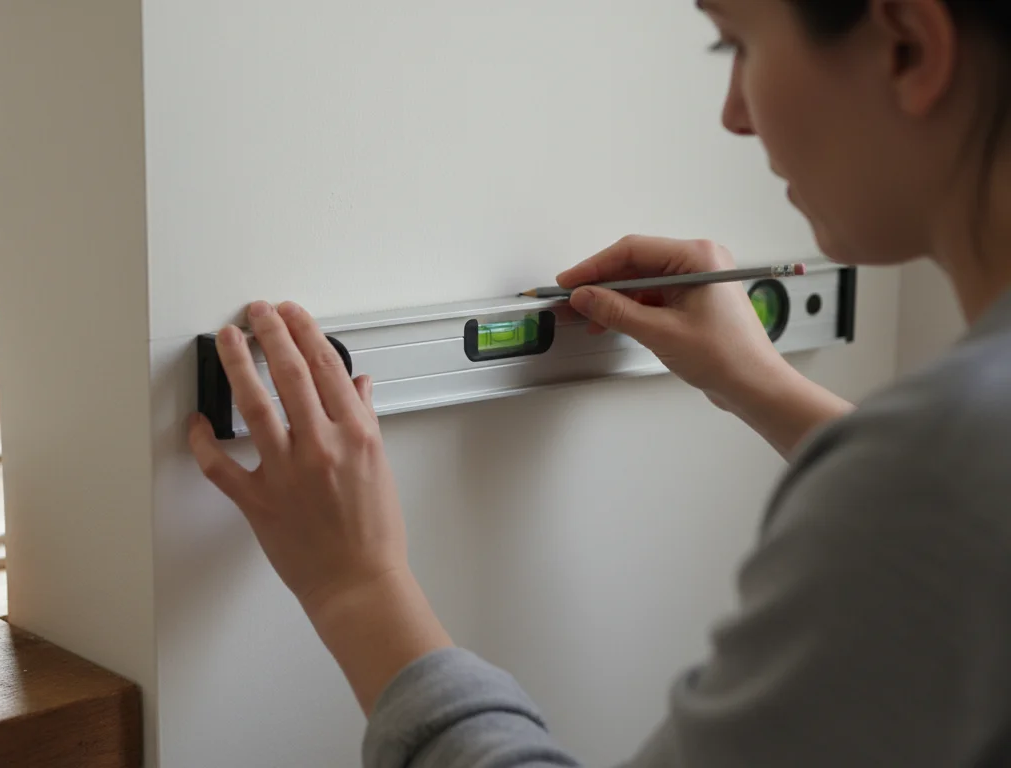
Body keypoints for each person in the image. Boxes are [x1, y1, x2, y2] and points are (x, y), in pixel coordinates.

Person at [187, 0, 1011, 764]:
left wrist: (355, 588)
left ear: (909, 47)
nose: (733, 113)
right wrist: (763, 386)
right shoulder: (951, 464)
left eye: (737, 41)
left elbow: (941, 499)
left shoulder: (932, 479)